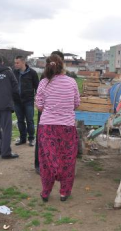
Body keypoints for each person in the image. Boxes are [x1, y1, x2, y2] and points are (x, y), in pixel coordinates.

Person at [35, 54, 80, 202]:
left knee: (47, 161)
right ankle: (64, 192)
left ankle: (46, 192)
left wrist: (52, 109)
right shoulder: (72, 82)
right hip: (67, 128)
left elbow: (40, 106)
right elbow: (76, 103)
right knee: (67, 159)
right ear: (63, 66)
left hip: (47, 127)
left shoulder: (43, 83)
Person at [34, 51, 64, 174]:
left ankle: (46, 165)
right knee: (45, 140)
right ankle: (40, 165)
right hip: (49, 114)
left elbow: (39, 99)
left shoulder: (46, 76)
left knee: (47, 140)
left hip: (46, 113)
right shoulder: (46, 77)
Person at [13, 56, 39, 147]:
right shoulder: (14, 73)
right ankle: (22, 138)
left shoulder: (32, 73)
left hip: (28, 101)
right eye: (15, 63)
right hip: (17, 101)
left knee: (30, 120)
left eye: (17, 63)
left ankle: (31, 138)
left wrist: (36, 98)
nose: (15, 64)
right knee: (20, 121)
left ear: (23, 62)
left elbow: (37, 87)